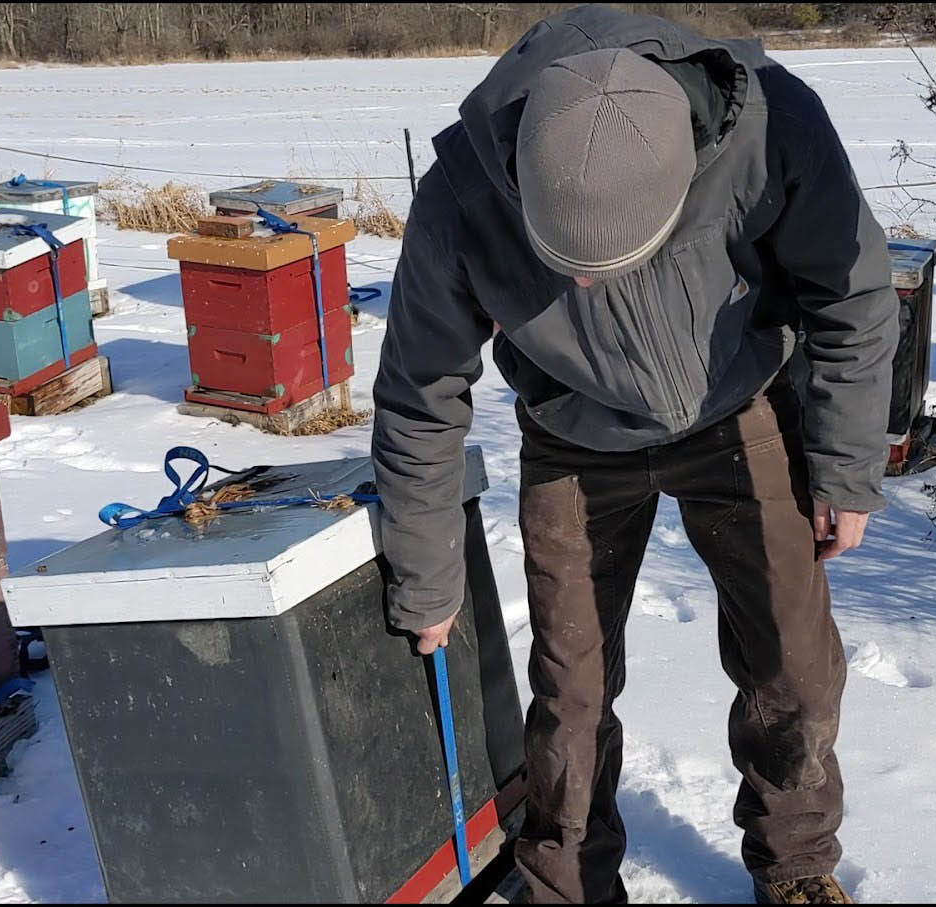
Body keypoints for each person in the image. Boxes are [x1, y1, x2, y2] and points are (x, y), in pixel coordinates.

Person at [371, 5, 896, 904]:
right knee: (569, 695)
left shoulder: (771, 123)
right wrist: (424, 577)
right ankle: (568, 885)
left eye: (607, 262)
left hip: (739, 412)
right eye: (559, 256)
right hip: (573, 441)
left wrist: (846, 465)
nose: (578, 282)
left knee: (796, 669)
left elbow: (851, 293)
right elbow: (422, 394)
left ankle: (799, 866)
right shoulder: (459, 194)